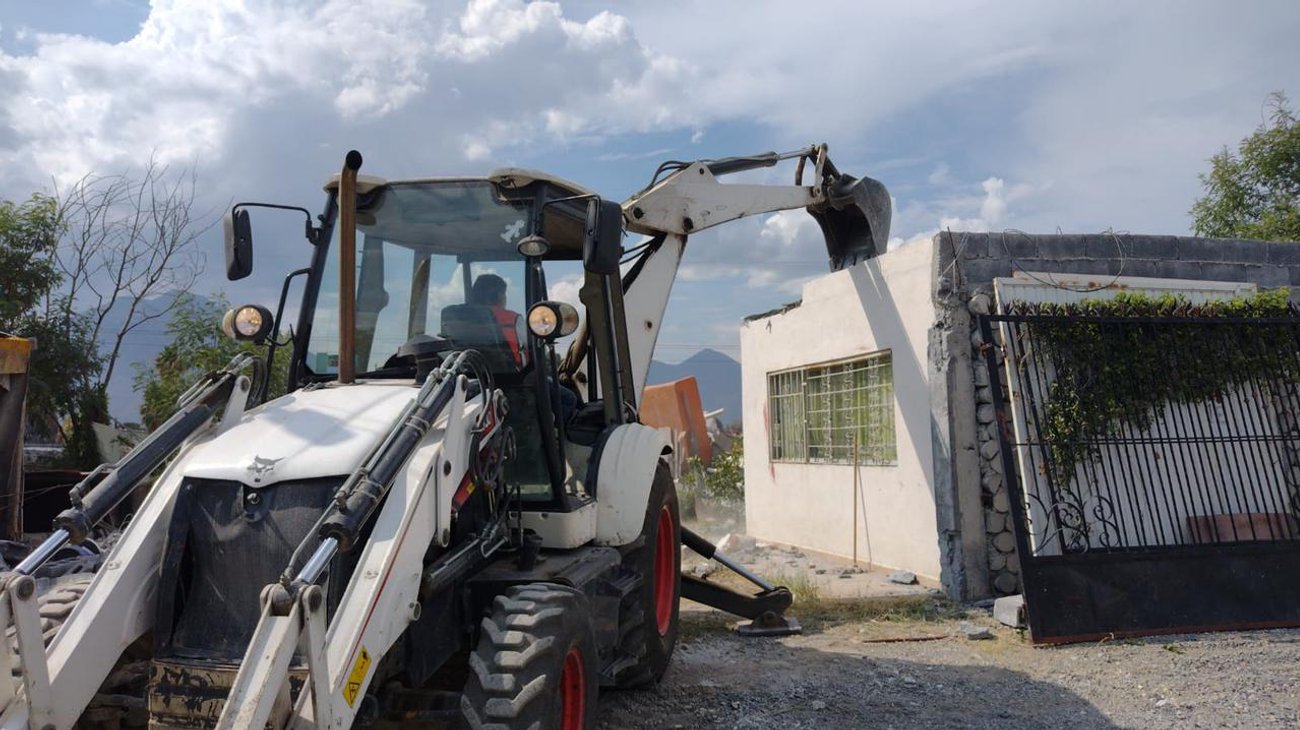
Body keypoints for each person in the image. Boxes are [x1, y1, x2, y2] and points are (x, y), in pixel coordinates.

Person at [469, 273, 525, 366]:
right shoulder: (513, 319)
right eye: (504, 293)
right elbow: (525, 358)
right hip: (509, 376)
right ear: (499, 296)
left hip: (464, 373)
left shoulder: (455, 315)